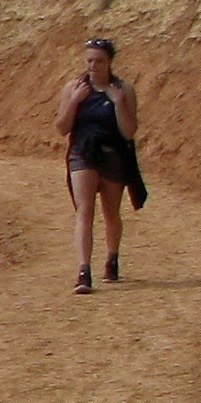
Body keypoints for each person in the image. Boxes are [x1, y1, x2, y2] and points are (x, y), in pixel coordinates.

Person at [55, 34, 139, 294]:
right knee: (84, 211)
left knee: (111, 212)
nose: (93, 66)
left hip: (113, 154)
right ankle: (83, 270)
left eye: (99, 61)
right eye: (90, 60)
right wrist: (74, 102)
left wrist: (118, 104)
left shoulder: (124, 90)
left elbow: (129, 131)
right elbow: (61, 128)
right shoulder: (73, 88)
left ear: (110, 62)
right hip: (82, 153)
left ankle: (112, 258)